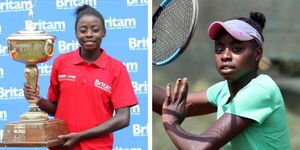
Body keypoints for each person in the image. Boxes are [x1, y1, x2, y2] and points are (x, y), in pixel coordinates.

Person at [153, 12, 291, 150]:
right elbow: (169, 105)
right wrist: (132, 75)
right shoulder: (222, 90)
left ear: (258, 53)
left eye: (237, 49)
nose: (225, 56)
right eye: (219, 49)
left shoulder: (261, 90)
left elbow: (198, 148)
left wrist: (170, 123)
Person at [24, 4, 138, 150]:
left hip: (97, 147)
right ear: (76, 34)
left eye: (95, 30)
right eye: (83, 30)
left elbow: (123, 118)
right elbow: (55, 109)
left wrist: (81, 136)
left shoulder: (116, 69)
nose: (89, 34)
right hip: (61, 147)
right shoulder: (61, 62)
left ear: (104, 32)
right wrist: (37, 100)